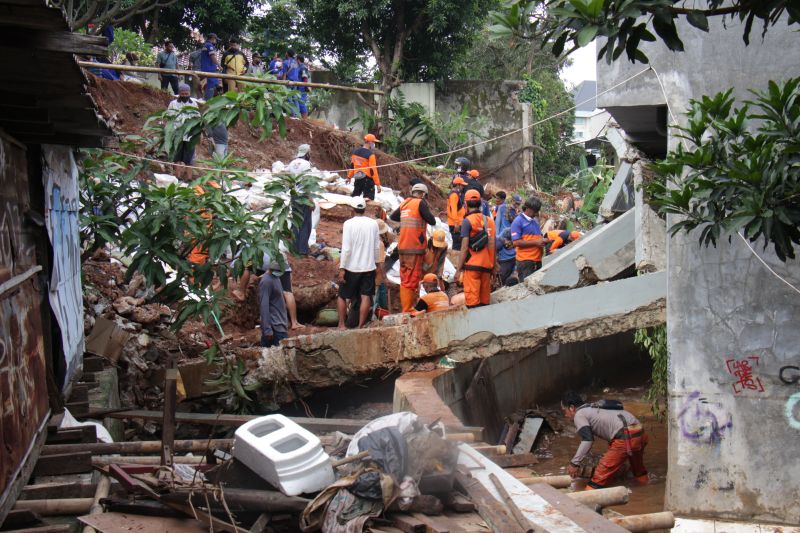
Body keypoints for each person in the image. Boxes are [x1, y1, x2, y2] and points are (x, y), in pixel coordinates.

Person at [561, 391, 649, 490]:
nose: (565, 415)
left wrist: (574, 463)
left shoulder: (579, 414)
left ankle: (583, 502)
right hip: (640, 433)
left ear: (572, 408)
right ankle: (646, 490)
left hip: (625, 438)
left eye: (564, 411)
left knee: (598, 479)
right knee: (638, 471)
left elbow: (587, 440)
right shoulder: (593, 407)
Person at [389, 183, 437, 312]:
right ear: (423, 194)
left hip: (402, 246)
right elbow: (432, 221)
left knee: (405, 278)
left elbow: (393, 216)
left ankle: (408, 307)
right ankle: (408, 309)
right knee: (412, 278)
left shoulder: (405, 203)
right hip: (414, 247)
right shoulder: (420, 203)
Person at [337, 197, 381, 329]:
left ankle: (341, 324)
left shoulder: (348, 224)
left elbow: (346, 248)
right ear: (364, 209)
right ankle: (360, 326)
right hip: (368, 267)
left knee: (342, 295)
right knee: (366, 296)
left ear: (352, 209)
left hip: (351, 267)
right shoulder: (373, 224)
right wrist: (377, 264)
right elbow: (376, 247)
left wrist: (342, 268)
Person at [455, 189, 497, 308]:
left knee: (473, 305)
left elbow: (464, 248)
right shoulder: (490, 221)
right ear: (480, 203)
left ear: (465, 204)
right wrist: (493, 267)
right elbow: (493, 247)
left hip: (472, 267)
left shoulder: (467, 221)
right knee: (484, 304)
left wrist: (458, 269)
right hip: (487, 268)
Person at [166, 84, 201, 181]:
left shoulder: (193, 103)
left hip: (190, 136)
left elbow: (197, 117)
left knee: (189, 159)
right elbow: (169, 117)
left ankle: (189, 178)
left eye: (187, 93)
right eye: (183, 94)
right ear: (179, 93)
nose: (185, 95)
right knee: (177, 157)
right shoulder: (173, 104)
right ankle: (178, 177)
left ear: (189, 93)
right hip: (177, 135)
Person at [510, 197, 549, 281]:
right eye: (534, 211)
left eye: (537, 211)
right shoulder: (518, 221)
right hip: (526, 262)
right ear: (527, 208)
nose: (535, 213)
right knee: (528, 289)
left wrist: (543, 241)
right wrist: (536, 242)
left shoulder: (534, 221)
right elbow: (516, 242)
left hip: (537, 260)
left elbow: (537, 238)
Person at [287, 143, 315, 255]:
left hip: (294, 195)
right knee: (305, 223)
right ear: (307, 153)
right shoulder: (307, 164)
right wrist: (310, 199)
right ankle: (303, 249)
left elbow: (288, 179)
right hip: (303, 196)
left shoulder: (292, 163)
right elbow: (306, 182)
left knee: (296, 221)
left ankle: (294, 247)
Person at [259, 262, 289, 347]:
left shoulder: (276, 278)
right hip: (274, 328)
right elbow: (264, 306)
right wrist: (267, 329)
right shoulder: (266, 281)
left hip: (281, 326)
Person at [347, 134, 381, 200]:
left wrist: (349, 177)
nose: (374, 144)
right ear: (370, 142)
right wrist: (378, 184)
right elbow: (373, 170)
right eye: (374, 142)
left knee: (355, 198)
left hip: (358, 178)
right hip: (367, 180)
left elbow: (352, 166)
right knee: (368, 200)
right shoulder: (370, 155)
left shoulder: (355, 152)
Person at [447, 177, 466, 251]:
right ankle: (455, 261)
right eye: (462, 185)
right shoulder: (454, 195)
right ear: (458, 185)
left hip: (456, 222)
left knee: (458, 244)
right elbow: (454, 210)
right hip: (456, 224)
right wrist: (456, 223)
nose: (463, 187)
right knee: (457, 245)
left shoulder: (455, 194)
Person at [200, 33, 220, 99]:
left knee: (215, 86)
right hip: (209, 70)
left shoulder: (205, 45)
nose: (216, 41)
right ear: (213, 38)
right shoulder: (209, 45)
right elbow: (213, 57)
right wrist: (219, 65)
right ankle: (207, 103)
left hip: (206, 69)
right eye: (216, 39)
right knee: (210, 88)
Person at [295, 54, 312, 119]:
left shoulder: (303, 67)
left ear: (298, 60)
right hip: (299, 87)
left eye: (296, 59)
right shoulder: (299, 67)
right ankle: (302, 119)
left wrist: (305, 86)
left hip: (302, 88)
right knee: (299, 103)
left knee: (301, 103)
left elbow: (305, 77)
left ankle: (304, 120)